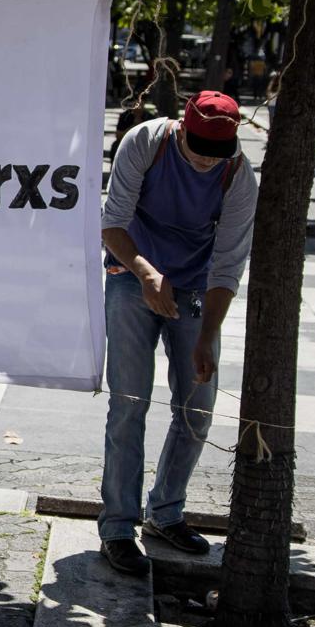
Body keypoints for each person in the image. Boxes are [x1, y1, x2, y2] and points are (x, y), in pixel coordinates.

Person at [97, 90, 258, 576]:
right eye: (198, 149)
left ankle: (165, 512)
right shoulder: (145, 142)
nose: (206, 161)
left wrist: (210, 331)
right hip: (131, 275)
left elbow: (229, 263)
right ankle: (118, 526)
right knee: (129, 403)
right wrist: (146, 274)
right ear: (181, 130)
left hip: (196, 290)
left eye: (217, 154)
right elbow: (112, 222)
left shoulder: (237, 176)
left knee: (198, 408)